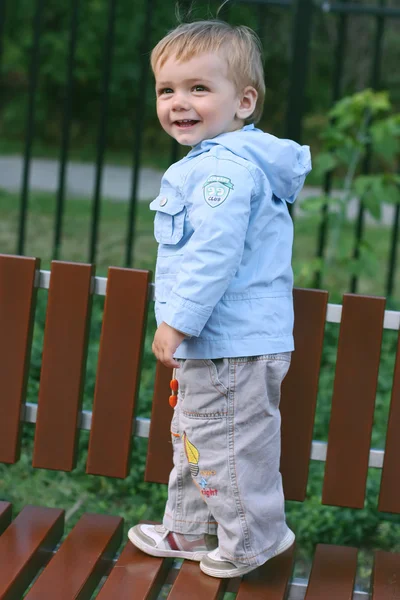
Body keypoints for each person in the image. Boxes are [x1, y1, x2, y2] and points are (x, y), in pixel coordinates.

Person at [128, 19, 311, 578]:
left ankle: (255, 542)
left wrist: (176, 322)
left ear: (244, 101)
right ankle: (187, 526)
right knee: (196, 433)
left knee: (226, 445)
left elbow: (215, 253)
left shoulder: (222, 172)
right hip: (223, 344)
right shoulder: (219, 162)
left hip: (229, 344)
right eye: (168, 90)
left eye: (198, 89)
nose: (179, 102)